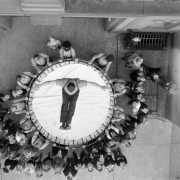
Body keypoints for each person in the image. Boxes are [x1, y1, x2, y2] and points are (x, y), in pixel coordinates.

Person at [32, 78, 107, 130]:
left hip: (75, 94)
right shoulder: (63, 82)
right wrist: (39, 85)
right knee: (64, 105)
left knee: (72, 107)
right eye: (69, 89)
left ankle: (68, 123)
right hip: (65, 93)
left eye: (71, 90)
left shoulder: (79, 83)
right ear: (66, 86)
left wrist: (101, 87)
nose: (70, 91)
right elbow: (50, 82)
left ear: (75, 87)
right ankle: (63, 123)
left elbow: (91, 84)